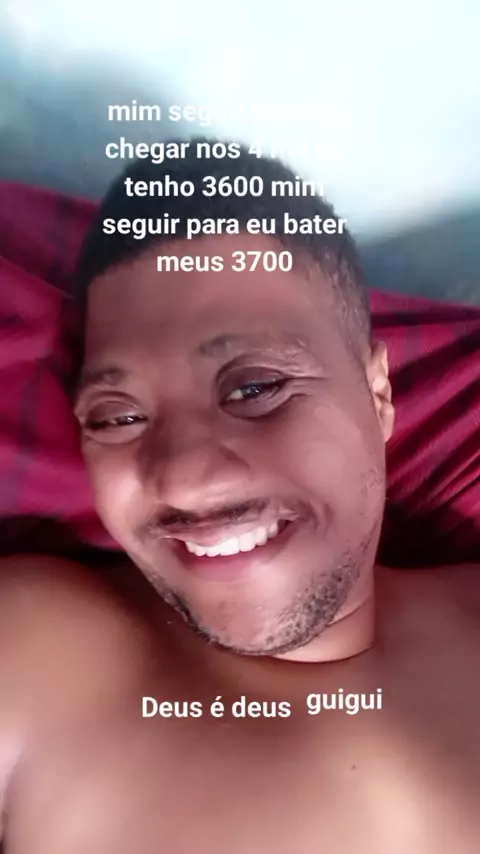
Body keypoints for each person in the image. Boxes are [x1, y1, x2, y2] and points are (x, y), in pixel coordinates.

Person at [1, 141, 479, 853]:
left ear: (378, 394)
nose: (186, 480)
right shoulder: (35, 651)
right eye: (117, 417)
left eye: (255, 387)